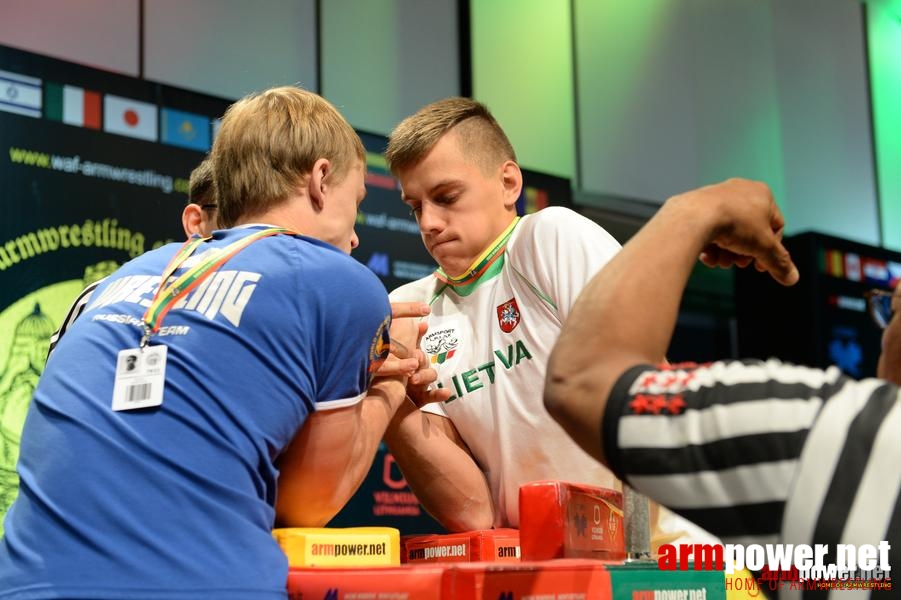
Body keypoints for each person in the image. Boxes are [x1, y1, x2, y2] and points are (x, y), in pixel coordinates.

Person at [0, 86, 433, 599]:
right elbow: (310, 503)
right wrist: (391, 373)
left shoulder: (118, 280)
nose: (356, 237)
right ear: (320, 180)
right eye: (356, 202)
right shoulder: (340, 280)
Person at [544, 178, 899, 584]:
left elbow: (582, 382)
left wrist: (698, 210)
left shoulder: (830, 435)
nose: (884, 330)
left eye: (894, 306)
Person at [384, 96, 630, 531]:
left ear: (509, 183)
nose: (428, 223)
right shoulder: (411, 310)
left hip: (653, 554)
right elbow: (475, 513)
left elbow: (648, 394)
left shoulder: (551, 237)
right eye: (415, 206)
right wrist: (392, 396)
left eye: (446, 196)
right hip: (538, 574)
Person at [46, 157, 219, 356]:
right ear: (196, 222)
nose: (255, 237)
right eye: (235, 216)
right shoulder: (96, 297)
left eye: (263, 226)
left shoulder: (258, 303)